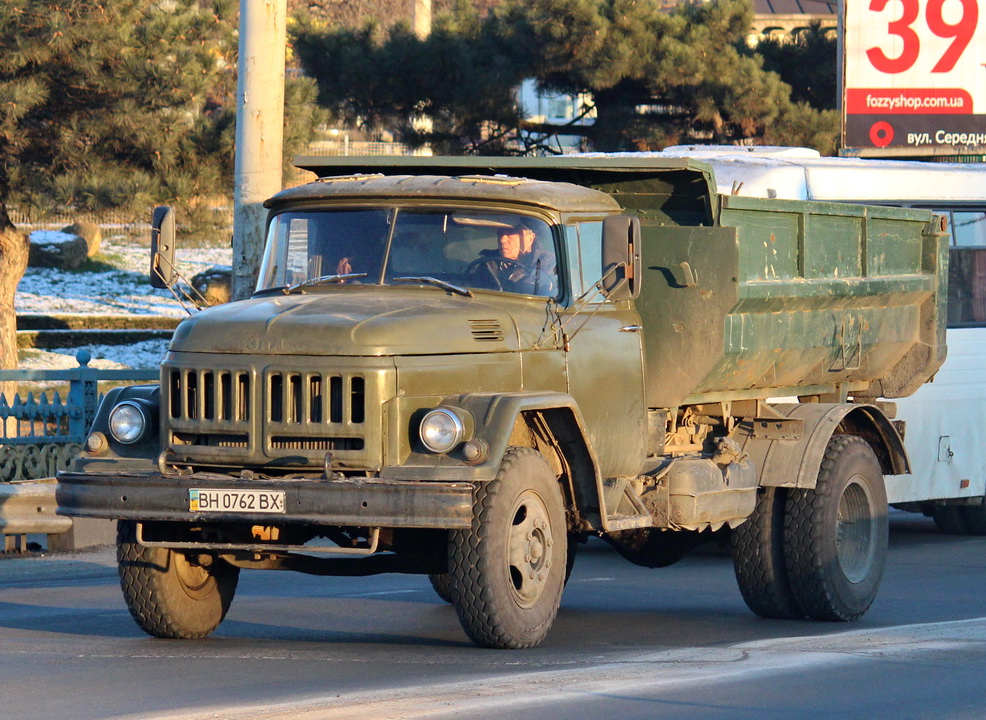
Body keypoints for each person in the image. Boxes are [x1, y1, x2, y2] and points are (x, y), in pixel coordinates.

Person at [476, 222, 556, 295]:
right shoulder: (488, 264)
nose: (502, 239)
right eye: (500, 233)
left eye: (511, 233)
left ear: (530, 239)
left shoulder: (549, 266)